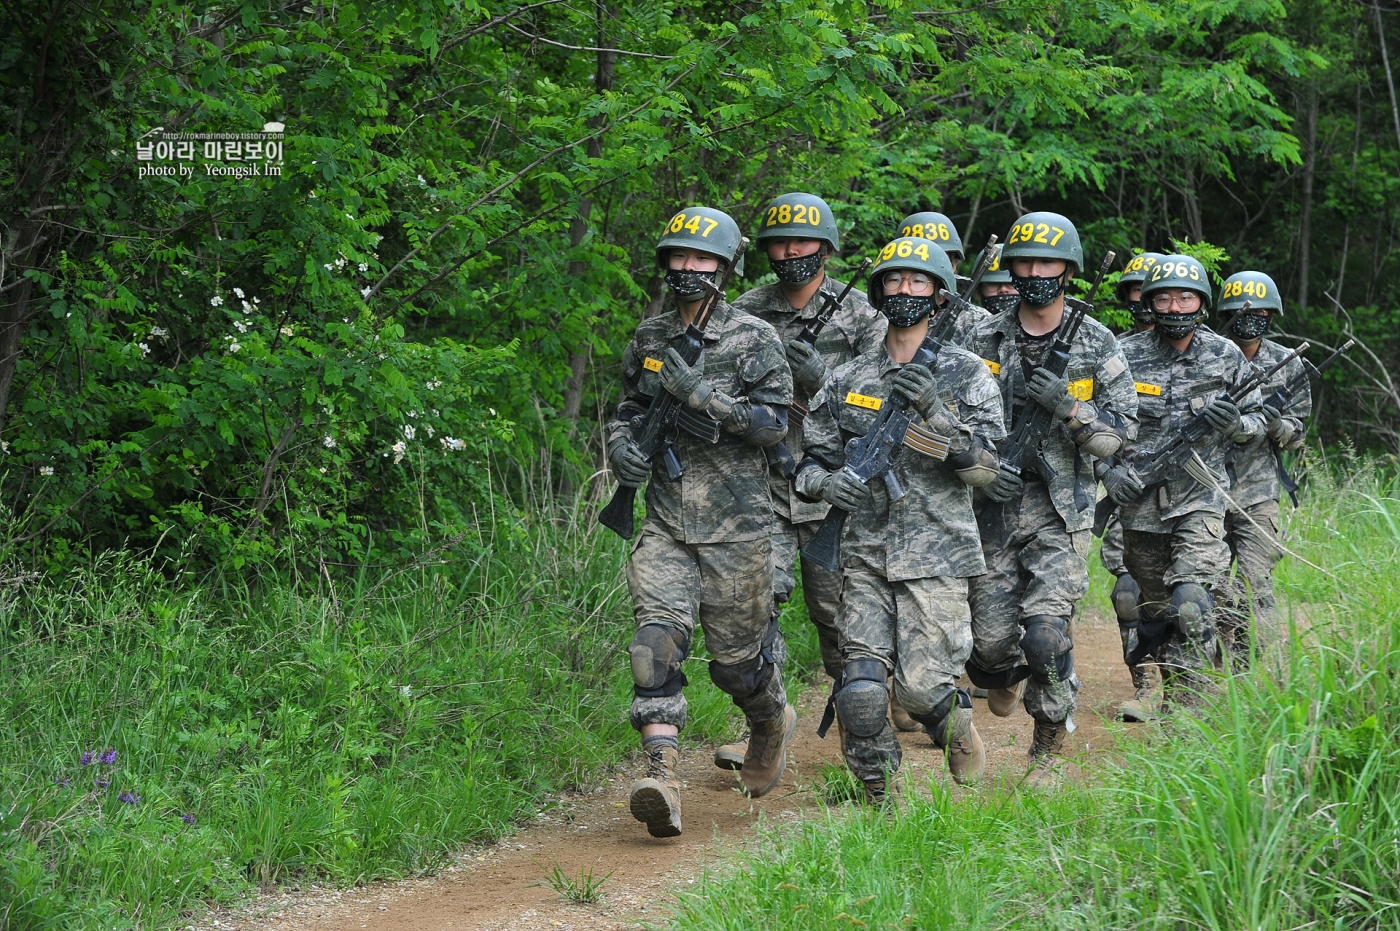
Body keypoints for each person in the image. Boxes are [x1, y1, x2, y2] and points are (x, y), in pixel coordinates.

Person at [605, 206, 796, 837]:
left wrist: (701, 395)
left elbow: (774, 427)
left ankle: (769, 722)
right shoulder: (651, 337)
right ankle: (662, 774)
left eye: (702, 258)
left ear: (726, 266)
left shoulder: (755, 339)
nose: (689, 269)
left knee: (736, 666)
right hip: (665, 520)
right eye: (680, 257)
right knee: (650, 648)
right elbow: (627, 408)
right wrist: (623, 446)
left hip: (739, 530)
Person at [794, 236, 1004, 801]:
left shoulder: (967, 374)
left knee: (919, 692)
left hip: (937, 556)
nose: (904, 290)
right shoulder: (849, 377)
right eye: (894, 280)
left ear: (939, 294)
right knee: (860, 691)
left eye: (918, 281)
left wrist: (938, 412)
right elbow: (807, 461)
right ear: (879, 290)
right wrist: (825, 482)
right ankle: (877, 801)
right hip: (861, 554)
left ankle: (952, 721)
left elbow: (988, 471)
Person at [962, 212, 1139, 785]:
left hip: (1060, 513)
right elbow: (948, 423)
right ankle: (1009, 676)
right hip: (990, 510)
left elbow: (1119, 437)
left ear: (1068, 271)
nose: (1036, 273)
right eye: (1027, 262)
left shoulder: (1095, 342)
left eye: (1049, 263)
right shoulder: (983, 336)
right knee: (987, 657)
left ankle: (1047, 745)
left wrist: (1070, 409)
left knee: (1044, 633)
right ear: (1011, 268)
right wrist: (984, 471)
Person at [717, 194, 885, 767]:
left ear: (827, 248)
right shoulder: (745, 310)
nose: (791, 252)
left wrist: (825, 381)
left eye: (804, 242)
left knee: (838, 619)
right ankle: (767, 722)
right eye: (781, 243)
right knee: (753, 612)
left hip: (832, 488)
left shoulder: (864, 315)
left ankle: (858, 738)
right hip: (759, 489)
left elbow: (886, 408)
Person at [1099, 255, 1265, 714]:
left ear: (1202, 303)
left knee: (1191, 604)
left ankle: (1188, 715)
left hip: (1201, 501)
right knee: (1156, 615)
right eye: (1165, 297)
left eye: (1185, 296)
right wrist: (1106, 472)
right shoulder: (1122, 354)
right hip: (1140, 507)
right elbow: (1094, 426)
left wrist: (1236, 424)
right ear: (1150, 302)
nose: (1175, 306)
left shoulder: (1225, 355)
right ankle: (1175, 691)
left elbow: (1258, 420)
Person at [1216, 270, 1310, 666]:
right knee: (1213, 585)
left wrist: (1275, 425)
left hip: (1259, 492)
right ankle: (1217, 655)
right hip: (1208, 488)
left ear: (1272, 316)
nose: (1249, 320)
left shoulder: (1288, 364)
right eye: (1239, 313)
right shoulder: (1209, 354)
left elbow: (1298, 432)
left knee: (1256, 581)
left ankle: (1265, 667)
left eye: (1259, 313)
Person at [1100, 251, 1165, 721]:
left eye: (1151, 294)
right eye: (1135, 295)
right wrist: (1106, 473)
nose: (1143, 304)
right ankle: (1143, 683)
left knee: (1187, 598)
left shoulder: (1206, 351)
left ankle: (1189, 685)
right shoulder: (1113, 351)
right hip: (1127, 494)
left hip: (1186, 496)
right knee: (1127, 592)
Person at [897, 211, 988, 342]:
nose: (925, 267)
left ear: (954, 264)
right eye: (915, 259)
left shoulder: (980, 324)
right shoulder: (880, 316)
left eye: (936, 258)